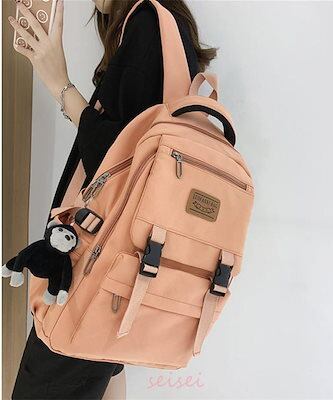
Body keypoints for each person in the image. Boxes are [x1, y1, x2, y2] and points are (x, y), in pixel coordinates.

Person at [8, 0, 216, 398]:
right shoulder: (164, 28)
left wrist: (58, 81)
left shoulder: (148, 27)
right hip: (120, 278)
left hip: (94, 279)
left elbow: (113, 161)